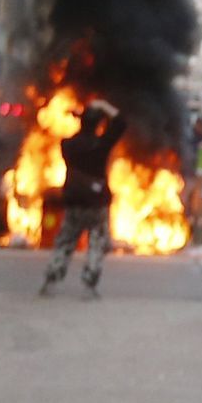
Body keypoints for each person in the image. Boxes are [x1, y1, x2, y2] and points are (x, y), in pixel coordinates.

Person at [41, 98, 126, 296]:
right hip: (97, 204)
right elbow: (121, 123)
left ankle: (51, 279)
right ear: (98, 124)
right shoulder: (102, 145)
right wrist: (105, 106)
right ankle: (89, 284)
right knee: (97, 242)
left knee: (66, 240)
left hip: (74, 201)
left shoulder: (67, 145)